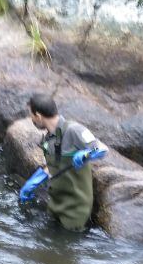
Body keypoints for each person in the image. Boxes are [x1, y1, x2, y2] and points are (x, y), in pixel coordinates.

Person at [26, 93, 102, 231]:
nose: (31, 119)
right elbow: (56, 165)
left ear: (38, 116)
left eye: (31, 115)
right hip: (55, 203)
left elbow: (101, 149)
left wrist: (86, 153)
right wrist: (35, 180)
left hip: (75, 210)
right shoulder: (48, 138)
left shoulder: (74, 130)